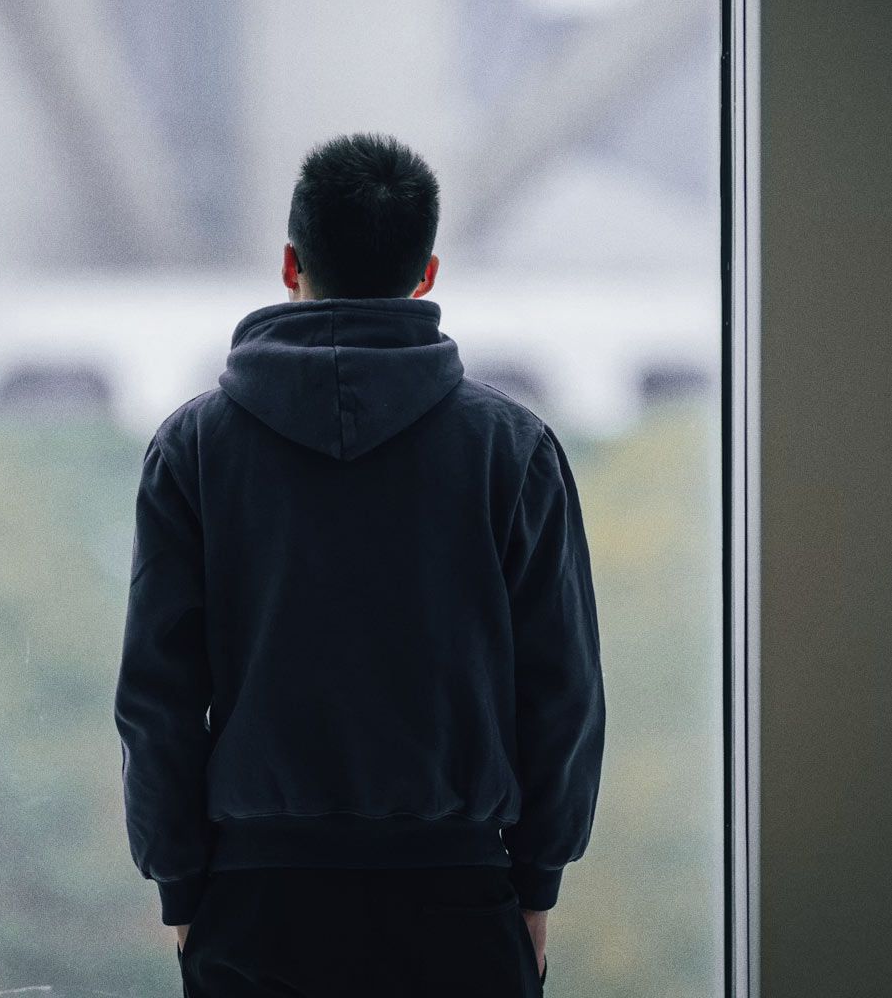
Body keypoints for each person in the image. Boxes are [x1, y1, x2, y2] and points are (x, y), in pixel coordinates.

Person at [113, 133, 604, 996]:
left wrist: (181, 887)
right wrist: (535, 885)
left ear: (289, 262)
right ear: (426, 274)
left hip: (254, 906)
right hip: (460, 904)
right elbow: (561, 693)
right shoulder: (511, 449)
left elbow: (156, 698)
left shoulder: (193, 449)